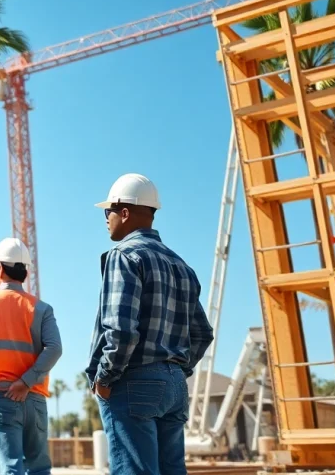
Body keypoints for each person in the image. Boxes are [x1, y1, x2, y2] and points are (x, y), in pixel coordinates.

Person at [86, 173, 214, 475]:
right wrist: (175, 370)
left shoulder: (123, 255)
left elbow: (121, 329)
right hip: (175, 386)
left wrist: (105, 377)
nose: (106, 219)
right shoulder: (182, 265)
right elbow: (202, 333)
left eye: (109, 211)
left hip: (133, 382)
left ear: (125, 212)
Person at [0, 238, 61, 475]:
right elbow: (54, 348)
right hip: (35, 399)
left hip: (0, 397)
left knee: (10, 469)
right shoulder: (42, 308)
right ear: (26, 273)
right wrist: (27, 382)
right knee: (39, 469)